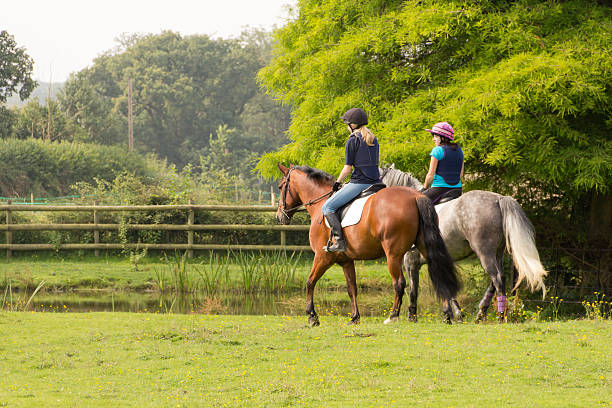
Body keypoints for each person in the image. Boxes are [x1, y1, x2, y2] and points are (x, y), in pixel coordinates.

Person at [321, 108, 381, 252]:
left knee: (327, 207)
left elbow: (347, 168)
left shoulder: (352, 140)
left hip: (359, 183)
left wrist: (337, 183)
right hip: (376, 182)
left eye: (346, 123)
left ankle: (339, 242)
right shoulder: (373, 138)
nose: (346, 126)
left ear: (352, 125)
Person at [421, 121, 464, 204]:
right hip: (457, 189)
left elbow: (430, 175)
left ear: (443, 138)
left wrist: (425, 188)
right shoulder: (460, 150)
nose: (433, 139)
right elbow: (461, 174)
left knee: (417, 202)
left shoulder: (437, 150)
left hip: (439, 189)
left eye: (436, 136)